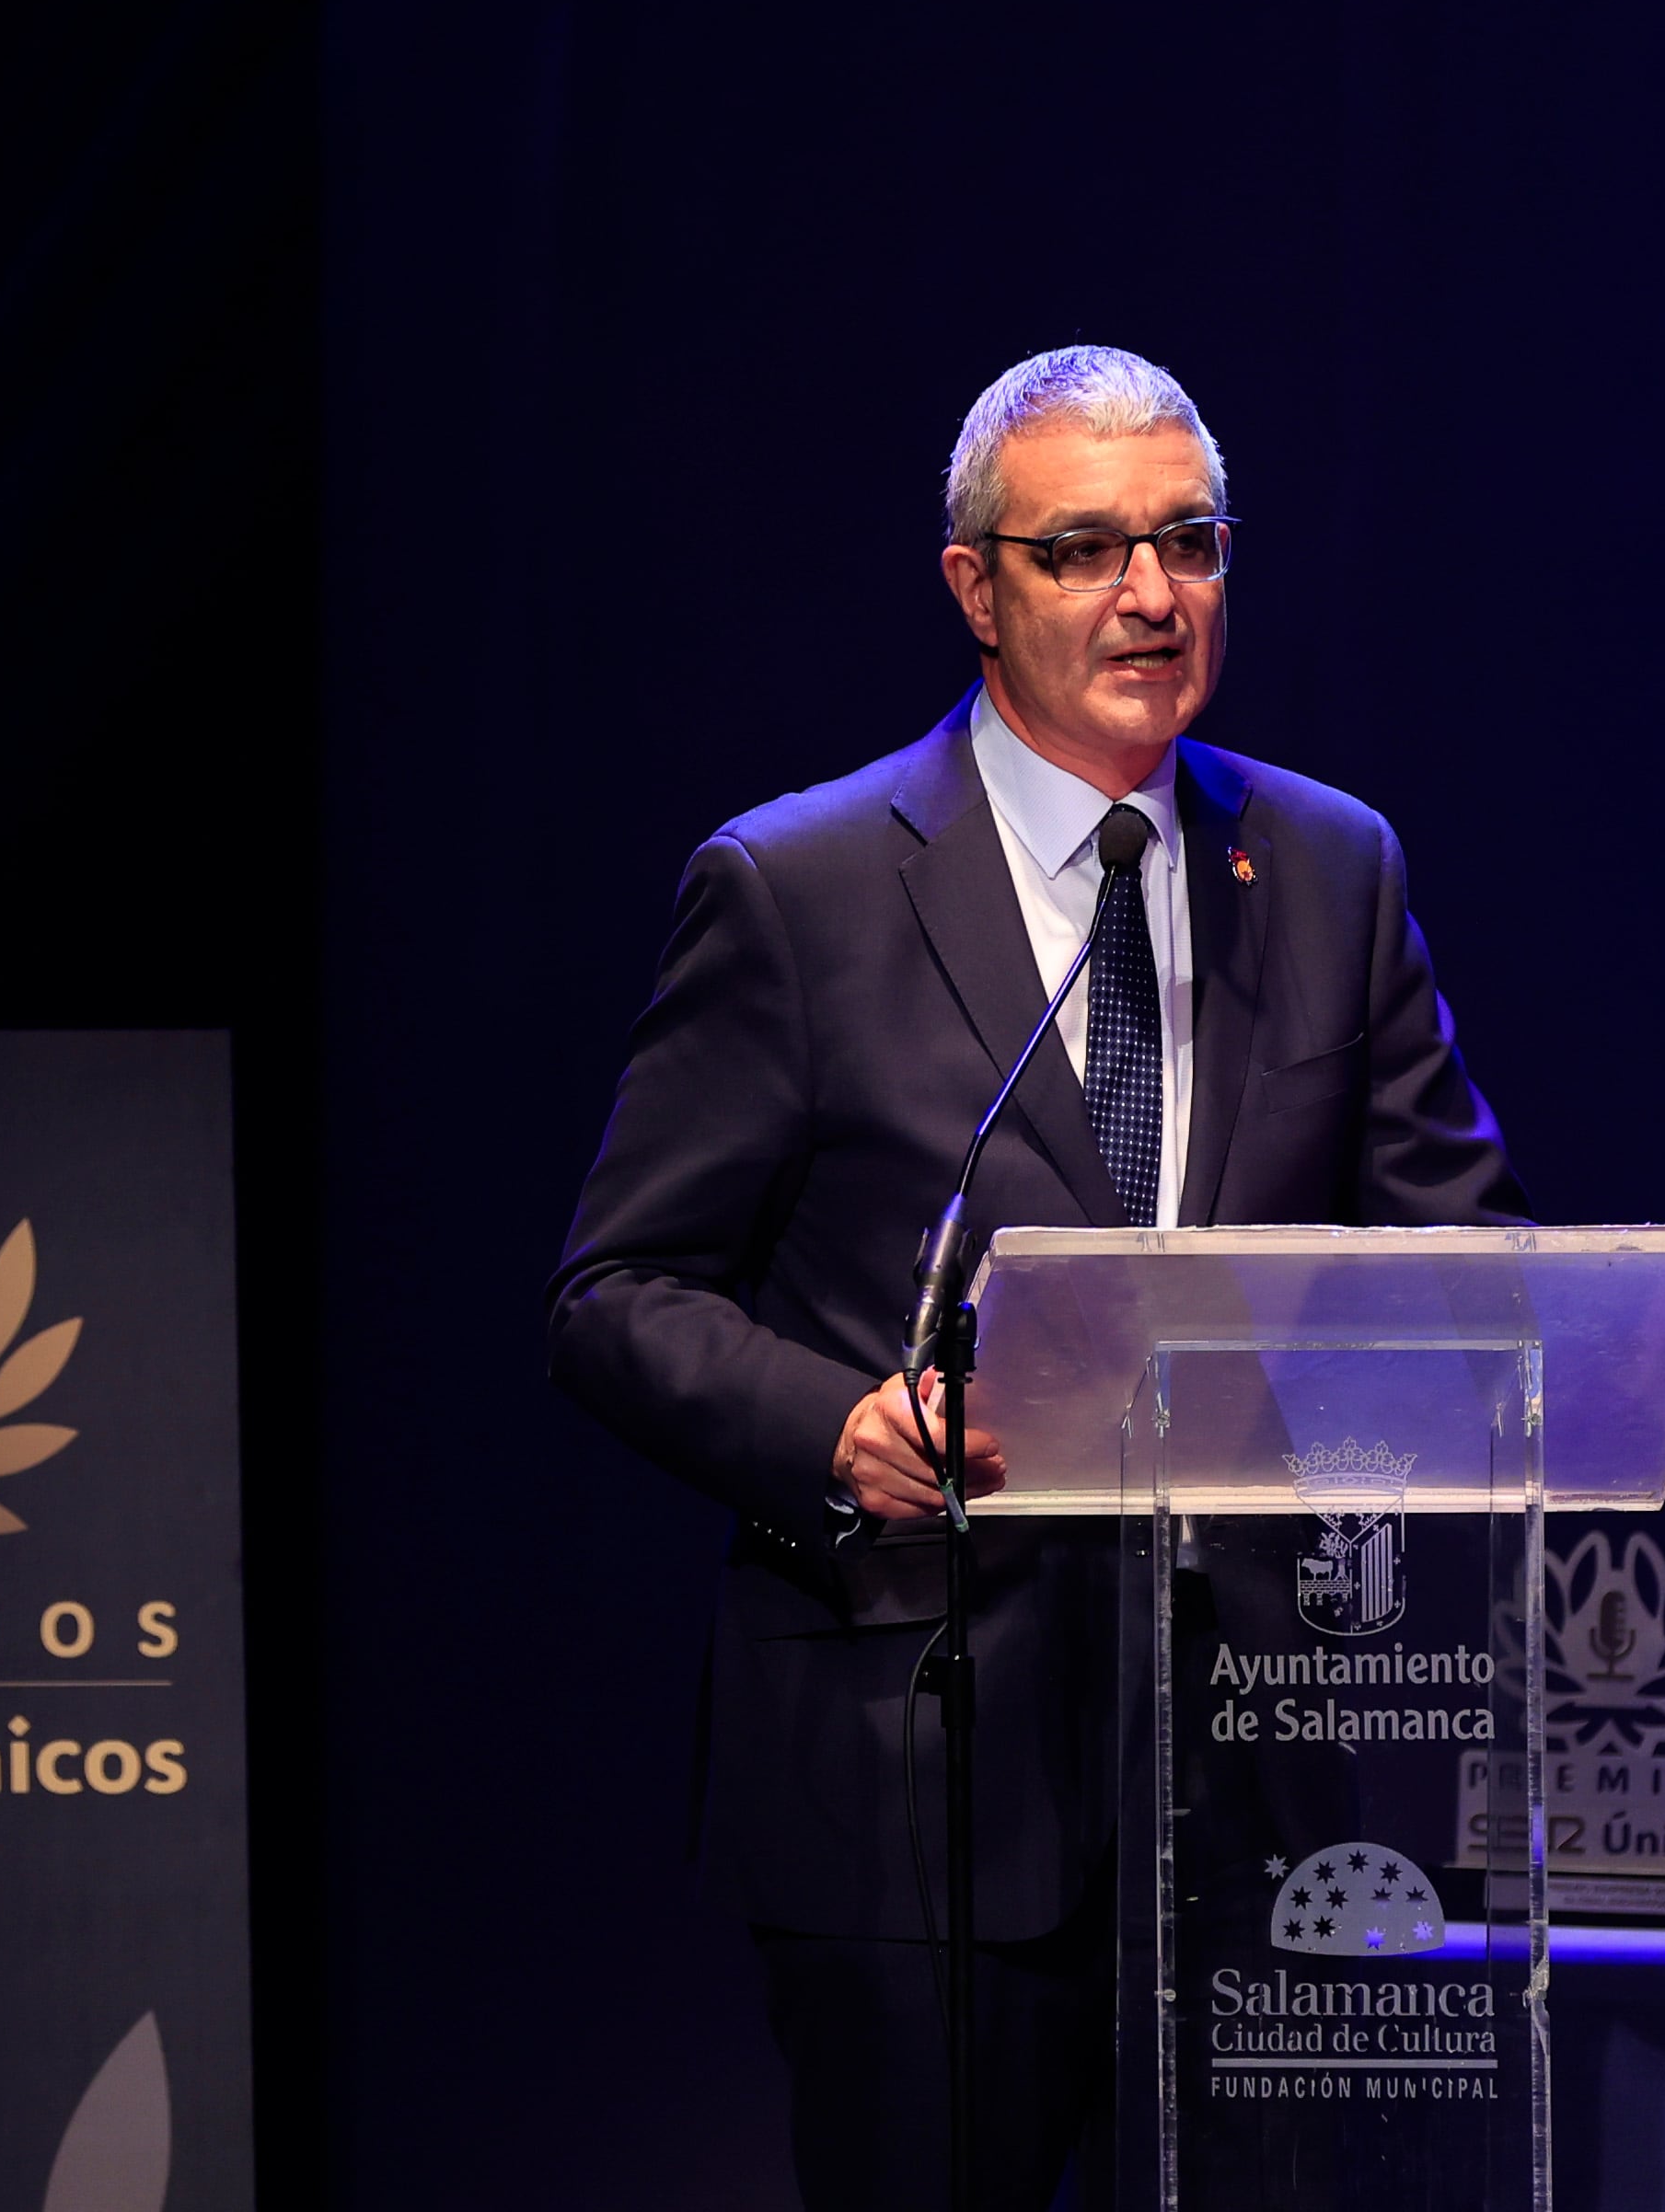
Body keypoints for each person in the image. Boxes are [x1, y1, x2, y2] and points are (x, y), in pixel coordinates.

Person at [547, 346, 1530, 2209]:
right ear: (976, 587)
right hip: (918, 1783)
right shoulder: (799, 888)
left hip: (1253, 1788)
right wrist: (836, 1428)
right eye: (1084, 550)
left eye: (1188, 541)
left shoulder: (1328, 869)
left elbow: (1461, 1261)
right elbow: (615, 1294)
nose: (1149, 593)